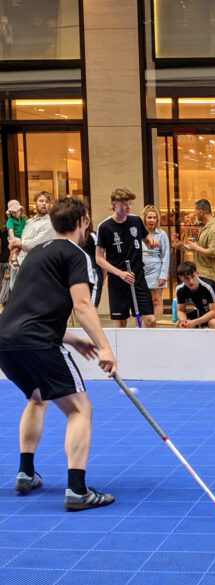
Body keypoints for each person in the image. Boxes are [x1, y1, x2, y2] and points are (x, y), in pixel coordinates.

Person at [0, 196, 117, 510]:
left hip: (6, 340)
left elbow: (27, 308)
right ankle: (77, 491)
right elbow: (82, 305)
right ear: (84, 222)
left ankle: (26, 473)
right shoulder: (77, 255)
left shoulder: (36, 253)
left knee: (37, 397)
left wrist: (70, 339)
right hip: (37, 341)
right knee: (80, 409)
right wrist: (105, 347)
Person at [95, 188, 157, 328]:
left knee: (150, 320)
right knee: (121, 323)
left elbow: (147, 238)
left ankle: (146, 348)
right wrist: (120, 273)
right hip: (118, 281)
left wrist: (152, 242)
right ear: (114, 205)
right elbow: (99, 258)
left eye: (130, 203)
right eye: (124, 204)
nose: (128, 207)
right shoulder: (104, 227)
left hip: (138, 278)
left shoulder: (136, 220)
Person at [178, 199, 215, 284]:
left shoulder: (214, 229)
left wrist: (196, 247)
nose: (195, 214)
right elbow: (201, 248)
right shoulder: (206, 226)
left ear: (201, 211)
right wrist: (183, 246)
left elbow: (214, 253)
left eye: (195, 211)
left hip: (210, 276)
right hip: (202, 273)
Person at [175, 260, 215, 329]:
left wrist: (195, 322)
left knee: (213, 323)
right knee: (180, 325)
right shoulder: (180, 289)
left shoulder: (209, 286)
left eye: (193, 276)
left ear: (197, 273)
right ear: (180, 278)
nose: (191, 281)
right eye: (186, 278)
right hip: (202, 312)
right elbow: (180, 310)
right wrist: (183, 321)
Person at [141, 205, 170, 321]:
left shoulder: (161, 234)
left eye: (154, 218)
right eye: (149, 217)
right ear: (144, 219)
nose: (152, 220)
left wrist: (163, 275)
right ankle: (143, 325)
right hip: (141, 270)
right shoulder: (138, 233)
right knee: (142, 299)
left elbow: (166, 255)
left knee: (156, 299)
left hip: (156, 269)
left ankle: (156, 325)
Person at [10, 191, 56, 263]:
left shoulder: (50, 223)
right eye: (41, 201)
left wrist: (16, 243)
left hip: (36, 265)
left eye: (47, 202)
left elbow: (36, 244)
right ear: (35, 203)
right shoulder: (29, 221)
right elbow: (22, 239)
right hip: (21, 262)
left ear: (50, 205)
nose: (44, 203)